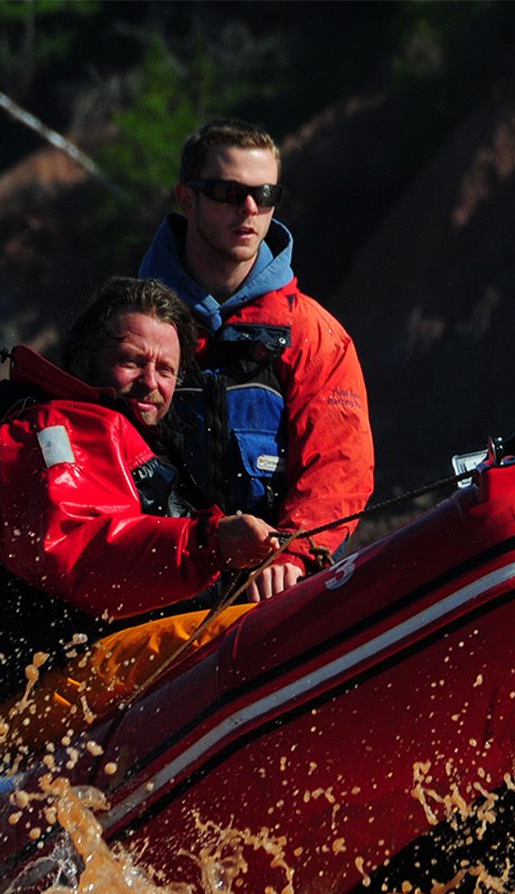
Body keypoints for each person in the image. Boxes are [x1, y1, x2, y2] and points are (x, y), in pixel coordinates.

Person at [0, 277, 278, 744]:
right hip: (44, 689)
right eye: (131, 362)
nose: (150, 384)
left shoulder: (124, 436)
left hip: (94, 669)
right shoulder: (46, 432)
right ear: (85, 360)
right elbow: (81, 549)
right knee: (267, 636)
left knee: (272, 615)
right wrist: (210, 543)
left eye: (166, 370)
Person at [139, 118, 375, 602]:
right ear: (187, 198)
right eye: (227, 192)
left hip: (269, 594)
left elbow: (340, 465)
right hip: (155, 588)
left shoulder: (312, 333)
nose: (249, 208)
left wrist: (294, 552)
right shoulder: (130, 323)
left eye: (265, 194)